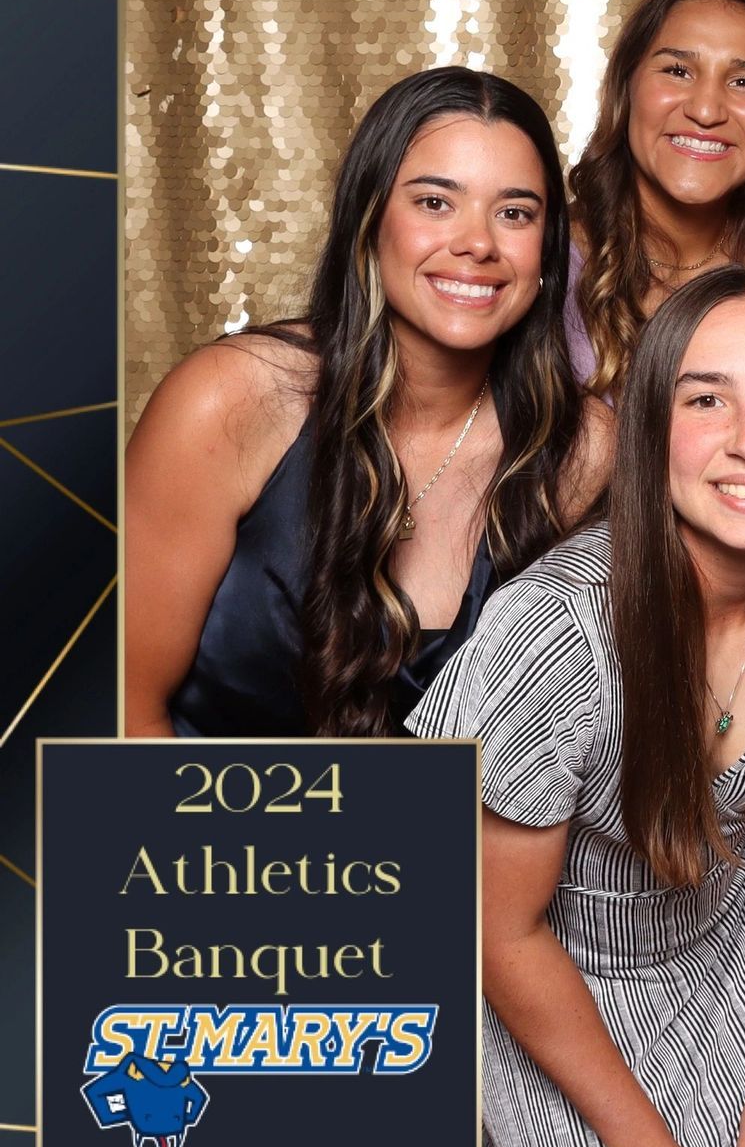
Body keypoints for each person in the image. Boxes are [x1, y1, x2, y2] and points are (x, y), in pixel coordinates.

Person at [407, 268, 745, 1147]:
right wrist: (641, 1146)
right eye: (705, 399)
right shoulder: (559, 629)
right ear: (650, 431)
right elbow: (495, 928)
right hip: (539, 978)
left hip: (719, 950)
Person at [125, 67, 611, 739]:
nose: (478, 243)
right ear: (369, 215)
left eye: (515, 213)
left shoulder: (581, 448)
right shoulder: (231, 398)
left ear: (548, 250)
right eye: (435, 203)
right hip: (206, 832)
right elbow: (120, 703)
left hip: (446, 845)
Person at [567, 0, 745, 397]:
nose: (707, 111)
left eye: (744, 81)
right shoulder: (550, 263)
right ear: (625, 86)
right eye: (677, 71)